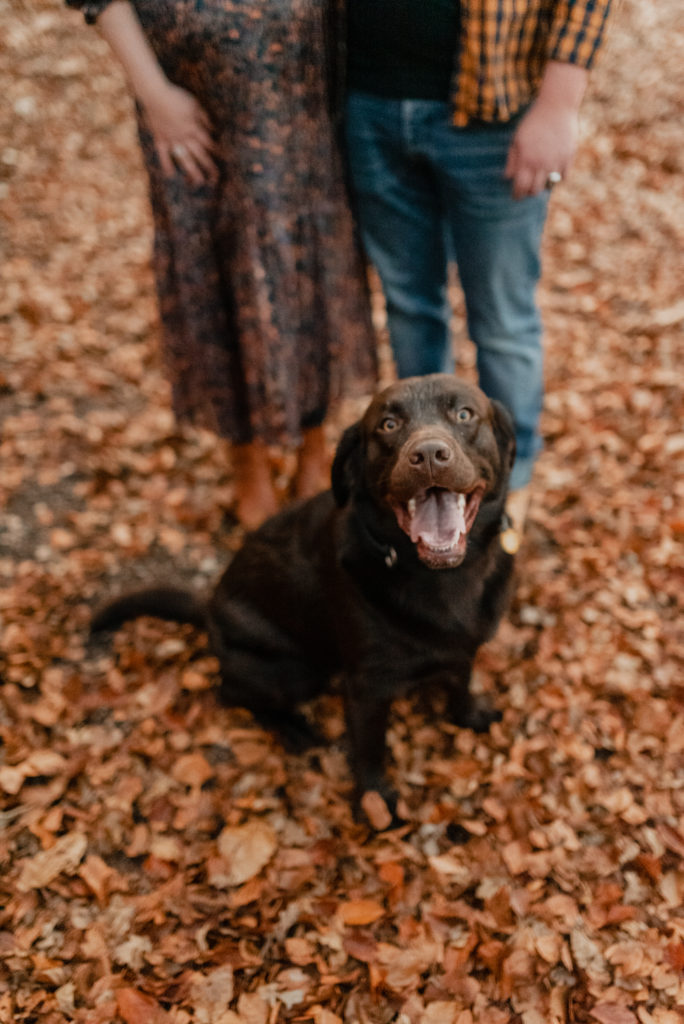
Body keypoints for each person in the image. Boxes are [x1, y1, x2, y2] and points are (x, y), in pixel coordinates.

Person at [66, 0, 377, 529]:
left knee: (310, 272)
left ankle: (313, 451)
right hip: (197, 103)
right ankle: (248, 465)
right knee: (220, 269)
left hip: (301, 90)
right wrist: (154, 95)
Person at [341, 0, 614, 538]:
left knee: (502, 321)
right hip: (367, 100)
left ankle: (509, 483)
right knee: (409, 305)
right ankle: (419, 480)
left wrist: (559, 104)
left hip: (493, 110)